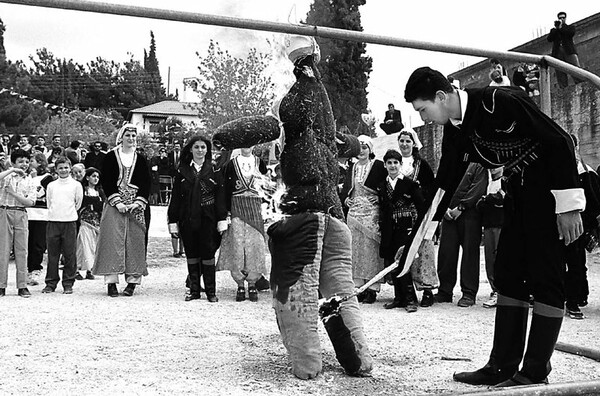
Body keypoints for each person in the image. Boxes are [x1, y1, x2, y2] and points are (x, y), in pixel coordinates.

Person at [404, 66, 584, 387]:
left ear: (441, 97)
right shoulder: (455, 131)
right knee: (508, 274)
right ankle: (501, 365)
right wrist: (422, 237)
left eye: (423, 109)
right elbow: (444, 185)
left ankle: (533, 372)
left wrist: (568, 206)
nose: (424, 117)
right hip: (517, 193)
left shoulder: (498, 100)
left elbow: (558, 141)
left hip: (549, 194)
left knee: (546, 278)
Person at [212, 35, 372, 379]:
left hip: (302, 215)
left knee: (294, 293)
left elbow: (259, 128)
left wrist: (224, 135)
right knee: (339, 292)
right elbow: (354, 144)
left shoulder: (290, 112)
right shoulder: (328, 126)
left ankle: (307, 364)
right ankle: (358, 358)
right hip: (333, 213)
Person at [93, 124, 151, 297]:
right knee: (112, 241)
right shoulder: (111, 156)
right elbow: (107, 181)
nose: (131, 139)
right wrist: (117, 202)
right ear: (121, 137)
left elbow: (146, 182)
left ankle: (132, 282)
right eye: (128, 135)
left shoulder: (140, 159)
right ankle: (111, 282)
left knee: (135, 242)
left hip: (135, 207)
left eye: (134, 136)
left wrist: (138, 202)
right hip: (114, 205)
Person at [168, 135, 227, 302]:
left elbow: (221, 196)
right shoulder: (182, 171)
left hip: (208, 218)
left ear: (207, 150)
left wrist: (222, 218)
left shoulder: (215, 170)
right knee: (191, 253)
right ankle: (194, 290)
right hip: (187, 218)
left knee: (208, 253)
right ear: (191, 149)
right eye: (197, 147)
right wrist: (173, 221)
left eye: (203, 147)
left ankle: (211, 292)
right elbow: (175, 198)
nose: (200, 150)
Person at [217, 146, 268, 302]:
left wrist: (267, 210)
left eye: (250, 142)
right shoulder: (230, 165)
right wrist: (224, 214)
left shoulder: (260, 163)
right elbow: (224, 190)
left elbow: (266, 188)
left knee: (255, 246)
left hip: (255, 210)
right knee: (237, 246)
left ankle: (253, 283)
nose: (247, 145)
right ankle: (239, 283)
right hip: (236, 209)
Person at [378, 149, 426, 312]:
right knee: (393, 263)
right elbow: (383, 209)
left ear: (400, 164)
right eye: (389, 163)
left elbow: (421, 207)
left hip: (405, 228)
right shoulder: (382, 186)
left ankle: (411, 299)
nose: (392, 166)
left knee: (403, 262)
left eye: (395, 163)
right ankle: (399, 298)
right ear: (385, 165)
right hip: (389, 229)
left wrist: (416, 230)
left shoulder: (410, 184)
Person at [340, 135, 386, 304]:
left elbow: (387, 185)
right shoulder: (352, 167)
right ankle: (358, 287)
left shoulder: (379, 166)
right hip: (354, 213)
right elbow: (346, 189)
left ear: (370, 149)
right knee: (356, 248)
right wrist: (346, 199)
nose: (361, 151)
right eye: (359, 148)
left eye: (365, 147)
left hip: (372, 213)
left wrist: (380, 197)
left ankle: (372, 288)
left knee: (371, 249)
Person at [435, 162, 486, 307]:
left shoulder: (478, 165)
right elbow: (440, 184)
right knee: (446, 251)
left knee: (470, 253)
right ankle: (445, 290)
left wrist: (462, 207)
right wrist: (443, 207)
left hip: (470, 214)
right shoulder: (450, 161)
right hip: (448, 213)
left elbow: (478, 188)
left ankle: (469, 292)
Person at [396, 128, 438, 307]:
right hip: (398, 215)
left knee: (424, 251)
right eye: (402, 141)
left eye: (408, 141)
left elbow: (432, 188)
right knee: (401, 251)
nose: (404, 144)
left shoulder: (422, 165)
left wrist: (418, 194)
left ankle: (427, 290)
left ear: (414, 144)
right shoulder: (393, 162)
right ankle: (404, 293)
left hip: (419, 214)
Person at [42, 156, 83, 294]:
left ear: (70, 168)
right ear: (56, 169)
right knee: (53, 254)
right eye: (60, 168)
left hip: (69, 222)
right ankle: (51, 283)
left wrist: (69, 214)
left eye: (66, 167)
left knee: (69, 254)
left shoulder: (76, 185)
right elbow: (49, 203)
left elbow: (78, 203)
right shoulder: (51, 186)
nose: (63, 170)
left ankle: (68, 283)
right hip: (53, 222)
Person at [0, 149, 36, 297]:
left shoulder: (29, 180)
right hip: (4, 212)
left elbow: (30, 202)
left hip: (21, 213)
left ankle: (22, 285)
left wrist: (13, 193)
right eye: (20, 161)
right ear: (13, 162)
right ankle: (1, 285)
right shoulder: (7, 177)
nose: (24, 164)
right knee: (3, 249)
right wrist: (12, 170)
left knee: (22, 250)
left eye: (27, 162)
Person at [477, 167, 505, 308]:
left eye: (497, 165)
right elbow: (480, 204)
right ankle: (495, 290)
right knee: (490, 259)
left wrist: (487, 200)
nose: (494, 168)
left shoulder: (505, 181)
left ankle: (502, 291)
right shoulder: (487, 182)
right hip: (488, 224)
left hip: (501, 225)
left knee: (501, 258)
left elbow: (501, 200)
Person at [26, 153, 54, 286]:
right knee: (27, 243)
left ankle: (35, 269)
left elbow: (46, 195)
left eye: (32, 161)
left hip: (41, 214)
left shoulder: (47, 178)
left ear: (40, 162)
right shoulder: (26, 177)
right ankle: (27, 269)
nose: (30, 163)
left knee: (38, 244)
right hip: (27, 213)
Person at [76, 167, 105, 281]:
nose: (96, 179)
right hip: (84, 221)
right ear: (87, 177)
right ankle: (77, 269)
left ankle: (89, 270)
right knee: (83, 245)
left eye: (97, 177)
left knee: (93, 245)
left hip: (96, 221)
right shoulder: (82, 190)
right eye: (93, 176)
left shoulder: (100, 192)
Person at [547, 11, 583, 88]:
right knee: (560, 72)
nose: (562, 19)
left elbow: (570, 34)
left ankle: (580, 84)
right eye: (560, 18)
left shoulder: (570, 27)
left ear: (565, 18)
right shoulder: (554, 30)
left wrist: (561, 28)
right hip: (558, 52)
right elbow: (549, 39)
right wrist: (556, 29)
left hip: (569, 51)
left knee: (575, 68)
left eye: (563, 18)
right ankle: (563, 88)